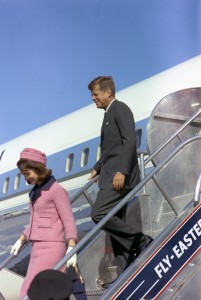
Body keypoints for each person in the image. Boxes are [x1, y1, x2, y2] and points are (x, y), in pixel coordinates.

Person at [87, 76, 153, 287]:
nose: (93, 98)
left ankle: (141, 240)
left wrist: (122, 171)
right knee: (115, 229)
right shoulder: (107, 115)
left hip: (119, 178)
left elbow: (129, 140)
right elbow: (110, 149)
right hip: (109, 176)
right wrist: (97, 168)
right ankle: (125, 276)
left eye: (95, 94)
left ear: (107, 92)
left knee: (99, 214)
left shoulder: (120, 108)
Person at [10, 148, 78, 299]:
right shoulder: (36, 192)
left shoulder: (56, 190)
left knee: (29, 291)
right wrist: (20, 240)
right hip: (37, 248)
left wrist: (72, 246)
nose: (26, 178)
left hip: (52, 247)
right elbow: (36, 222)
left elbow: (68, 218)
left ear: (38, 168)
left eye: (27, 173)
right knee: (40, 292)